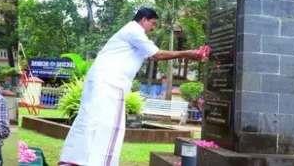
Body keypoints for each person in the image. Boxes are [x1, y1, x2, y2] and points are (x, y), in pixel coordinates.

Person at [59, 8, 208, 166]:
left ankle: (74, 160)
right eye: (153, 23)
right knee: (108, 126)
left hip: (101, 81)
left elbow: (151, 55)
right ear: (143, 19)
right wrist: (188, 53)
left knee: (90, 120)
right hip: (110, 83)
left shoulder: (133, 34)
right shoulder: (133, 31)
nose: (153, 28)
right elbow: (157, 54)